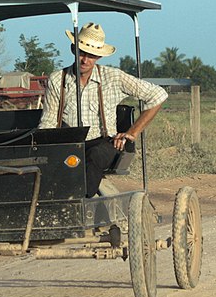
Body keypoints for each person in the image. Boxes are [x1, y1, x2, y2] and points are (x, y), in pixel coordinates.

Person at [39, 22, 168, 197]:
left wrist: (132, 132)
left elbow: (158, 95)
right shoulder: (57, 80)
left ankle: (81, 200)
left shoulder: (112, 77)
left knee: (95, 155)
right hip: (70, 143)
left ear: (98, 57)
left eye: (91, 55)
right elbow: (49, 121)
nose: (85, 60)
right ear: (73, 49)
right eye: (82, 53)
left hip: (105, 142)